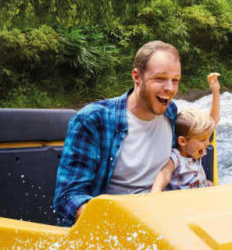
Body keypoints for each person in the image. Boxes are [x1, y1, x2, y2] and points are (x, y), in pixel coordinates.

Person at [53, 40, 182, 225]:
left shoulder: (170, 112)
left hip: (161, 221)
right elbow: (67, 197)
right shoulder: (93, 119)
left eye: (175, 80)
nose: (170, 88)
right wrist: (117, 223)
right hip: (111, 227)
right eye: (160, 79)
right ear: (137, 77)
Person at [152, 73, 221, 191]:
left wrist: (216, 91)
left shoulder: (197, 151)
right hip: (181, 203)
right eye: (202, 140)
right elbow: (164, 174)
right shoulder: (176, 158)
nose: (207, 143)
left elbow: (213, 122)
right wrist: (155, 192)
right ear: (183, 141)